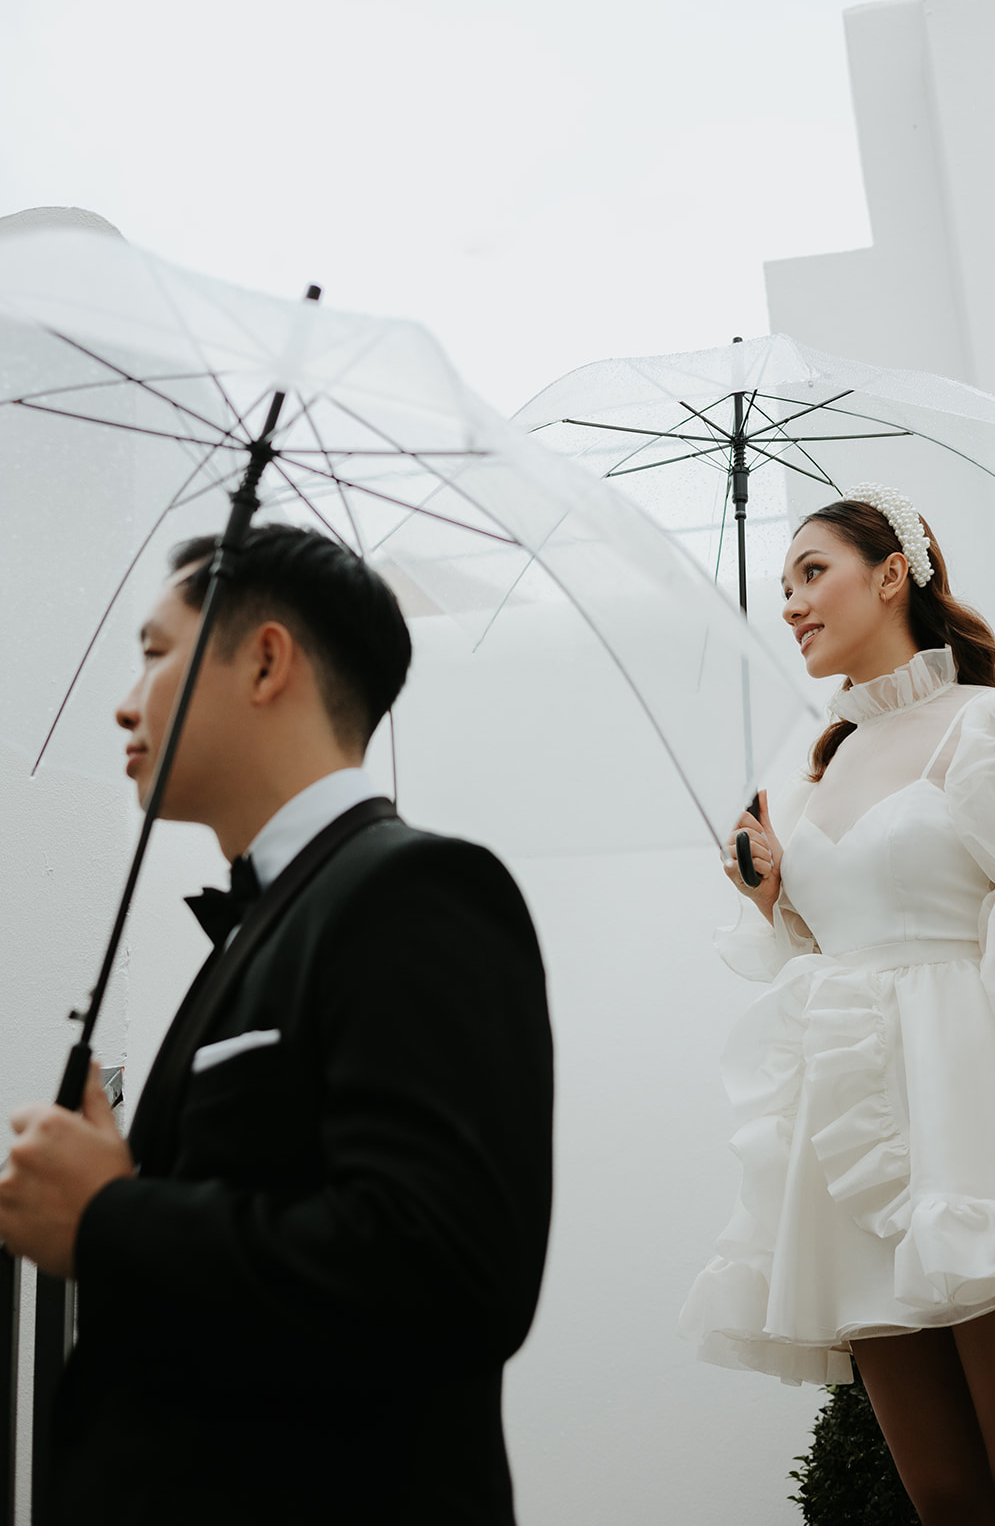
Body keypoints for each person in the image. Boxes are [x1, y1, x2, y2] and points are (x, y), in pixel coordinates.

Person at [0, 524, 554, 1525]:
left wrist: (109, 1217)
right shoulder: (271, 915)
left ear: (264, 661)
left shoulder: (419, 890)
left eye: (155, 652)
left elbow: (444, 1273)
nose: (125, 702)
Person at [680, 486, 995, 1525]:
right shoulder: (817, 771)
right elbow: (827, 962)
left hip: (978, 1118)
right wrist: (774, 902)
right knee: (941, 1495)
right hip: (850, 1136)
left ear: (892, 573)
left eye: (812, 572)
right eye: (782, 584)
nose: (790, 602)